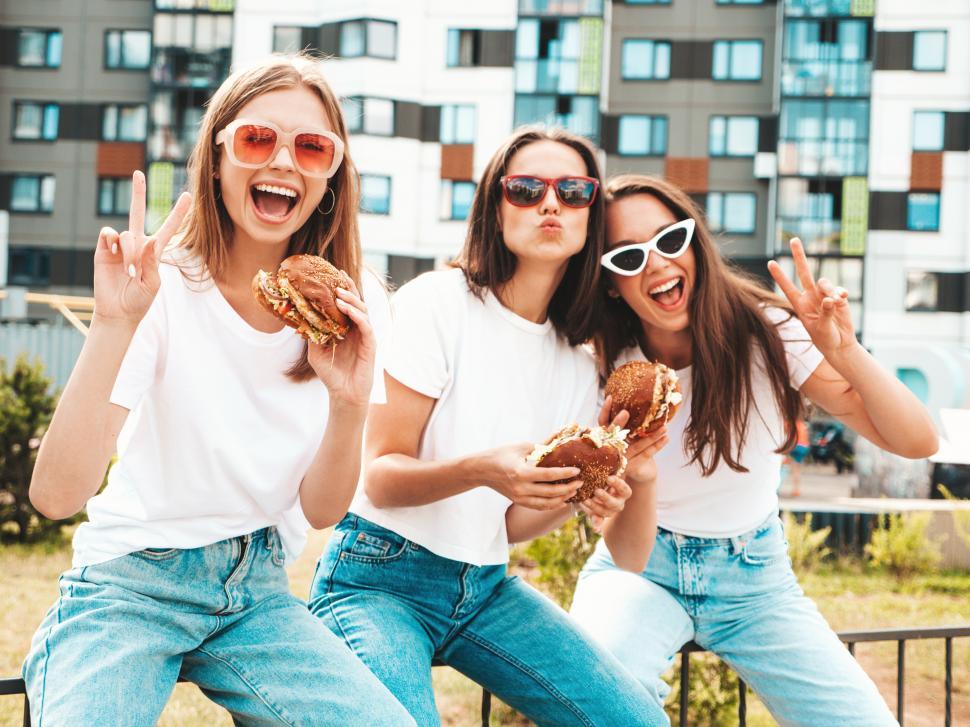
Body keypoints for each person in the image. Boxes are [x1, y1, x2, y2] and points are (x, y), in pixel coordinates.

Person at [22, 54, 415, 726]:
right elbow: (56, 496)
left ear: (330, 176)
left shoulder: (352, 308)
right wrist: (115, 323)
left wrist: (348, 405)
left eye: (312, 147)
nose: (285, 162)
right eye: (259, 139)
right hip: (132, 581)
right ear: (216, 157)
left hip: (258, 592)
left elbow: (322, 512)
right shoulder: (162, 287)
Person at [308, 128, 667, 726]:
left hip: (485, 588)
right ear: (494, 209)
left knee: (635, 721)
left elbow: (514, 523)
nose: (550, 203)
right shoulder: (438, 303)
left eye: (573, 191)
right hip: (377, 578)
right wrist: (482, 469)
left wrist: (572, 494)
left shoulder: (579, 361)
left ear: (590, 219)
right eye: (526, 189)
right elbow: (379, 478)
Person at [570, 174, 938, 726]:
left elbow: (917, 440)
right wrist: (640, 477)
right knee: (600, 698)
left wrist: (845, 350)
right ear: (607, 282)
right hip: (644, 571)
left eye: (669, 241)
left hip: (755, 578)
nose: (655, 264)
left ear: (694, 245)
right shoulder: (601, 366)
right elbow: (628, 558)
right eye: (627, 256)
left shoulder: (771, 333)